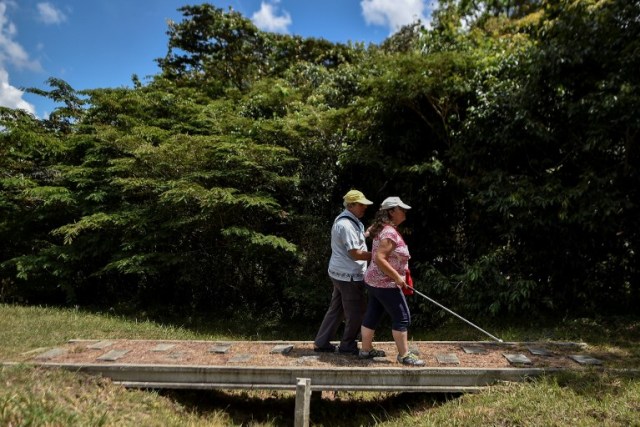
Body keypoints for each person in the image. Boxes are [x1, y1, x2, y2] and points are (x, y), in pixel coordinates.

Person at [359, 196, 425, 366]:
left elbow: (368, 232)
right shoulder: (388, 232)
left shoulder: (381, 228)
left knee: (373, 313)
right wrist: (397, 277)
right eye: (401, 209)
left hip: (374, 281)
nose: (405, 212)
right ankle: (404, 356)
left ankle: (365, 350)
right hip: (385, 283)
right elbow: (380, 258)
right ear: (391, 211)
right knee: (402, 317)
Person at [313, 189, 373, 354]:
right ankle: (348, 345)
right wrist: (378, 256)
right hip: (349, 276)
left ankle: (322, 342)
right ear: (352, 205)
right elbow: (355, 253)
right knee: (356, 312)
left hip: (339, 273)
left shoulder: (347, 219)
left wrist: (368, 232)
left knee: (337, 309)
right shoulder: (346, 224)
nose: (365, 208)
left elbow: (356, 239)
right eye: (362, 205)